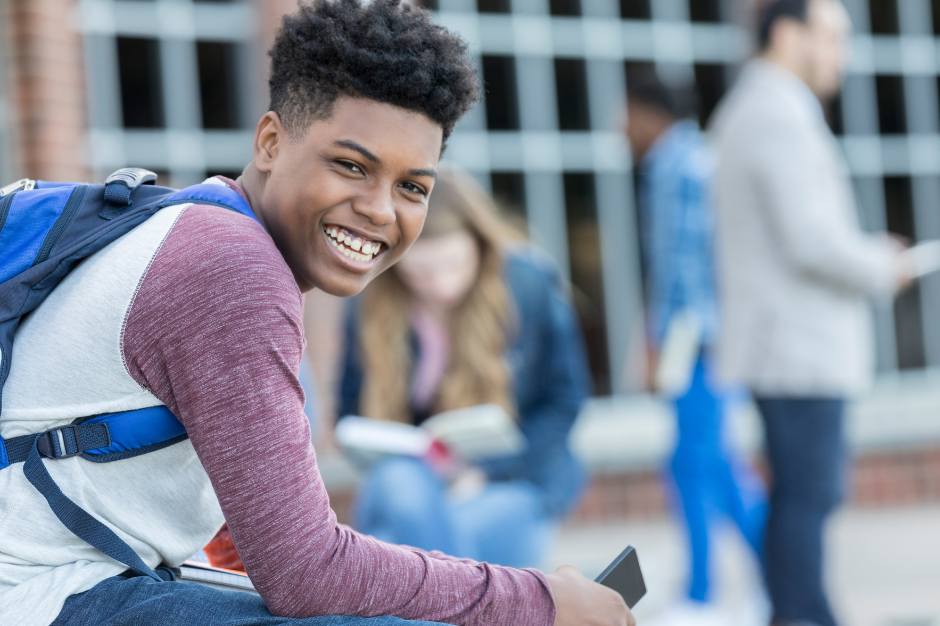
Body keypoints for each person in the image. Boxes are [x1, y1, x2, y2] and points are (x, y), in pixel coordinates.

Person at [0, 2, 634, 626]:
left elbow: (255, 541)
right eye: (351, 166)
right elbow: (307, 573)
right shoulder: (229, 268)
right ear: (271, 142)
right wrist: (541, 603)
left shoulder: (196, 226)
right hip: (41, 593)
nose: (382, 209)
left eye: (413, 186)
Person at [709, 1, 915, 625]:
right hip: (795, 349)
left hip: (788, 346)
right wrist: (881, 264)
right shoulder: (775, 111)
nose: (840, 56)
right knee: (807, 501)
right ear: (786, 31)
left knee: (800, 499)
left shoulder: (766, 106)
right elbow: (812, 241)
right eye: (833, 38)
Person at [337, 170, 591, 568]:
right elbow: (348, 410)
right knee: (404, 485)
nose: (440, 285)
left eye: (454, 265)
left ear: (480, 244)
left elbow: (564, 402)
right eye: (420, 273)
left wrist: (483, 471)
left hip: (509, 483)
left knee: (391, 551)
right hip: (406, 482)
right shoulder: (370, 303)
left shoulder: (527, 284)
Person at [624, 71, 768, 624]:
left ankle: (704, 594)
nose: (621, 128)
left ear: (648, 113)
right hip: (711, 338)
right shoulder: (696, 159)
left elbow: (680, 271)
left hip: (698, 341)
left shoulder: (674, 165)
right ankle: (768, 581)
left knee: (696, 465)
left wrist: (660, 345)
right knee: (715, 464)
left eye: (626, 114)